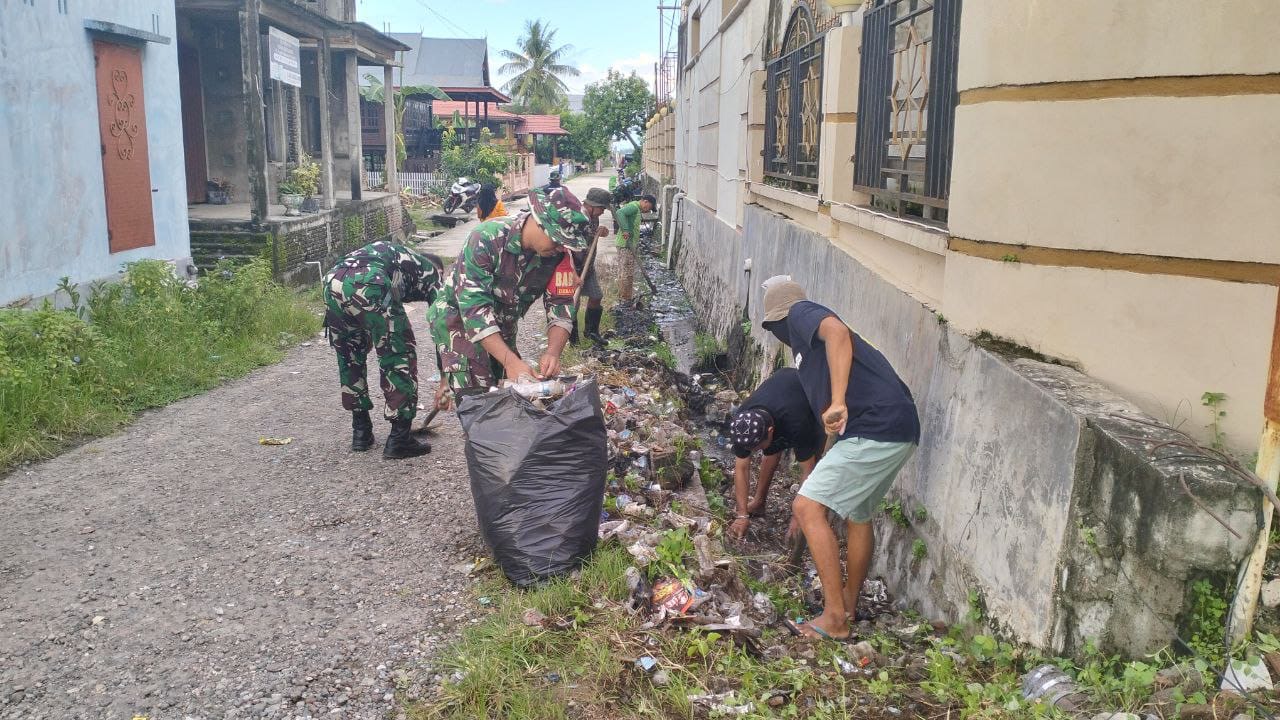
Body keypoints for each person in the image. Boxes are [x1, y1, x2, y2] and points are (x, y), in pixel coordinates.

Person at [760, 281, 920, 641]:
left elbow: (837, 332)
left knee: (806, 507)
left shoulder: (802, 314)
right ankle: (847, 603)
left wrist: (837, 400)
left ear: (779, 321)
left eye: (773, 330)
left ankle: (834, 619)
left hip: (876, 427)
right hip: (898, 428)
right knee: (858, 515)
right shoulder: (808, 354)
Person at [427, 187, 593, 405]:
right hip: (458, 321)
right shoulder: (486, 238)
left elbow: (561, 306)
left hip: (502, 322)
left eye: (567, 243)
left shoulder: (558, 255)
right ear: (538, 220)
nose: (562, 248)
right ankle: (462, 398)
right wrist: (511, 361)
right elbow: (475, 312)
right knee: (478, 397)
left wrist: (552, 353)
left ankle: (458, 388)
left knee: (510, 390)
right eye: (557, 240)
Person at [323, 241, 443, 459]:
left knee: (350, 354)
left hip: (332, 281)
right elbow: (442, 323)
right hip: (370, 281)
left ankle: (361, 432)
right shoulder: (432, 273)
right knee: (398, 355)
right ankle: (399, 438)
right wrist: (446, 377)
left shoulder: (395, 258)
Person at [727, 368, 824, 540]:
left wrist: (797, 516)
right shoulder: (743, 424)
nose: (753, 453)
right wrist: (741, 515)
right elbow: (741, 468)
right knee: (771, 449)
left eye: (756, 448)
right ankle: (759, 503)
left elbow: (807, 472)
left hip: (811, 394)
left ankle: (813, 513)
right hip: (780, 390)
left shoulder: (797, 424)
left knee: (813, 457)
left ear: (771, 431)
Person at [571, 187, 613, 344]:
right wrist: (573, 273)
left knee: (596, 296)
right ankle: (572, 339)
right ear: (591, 205)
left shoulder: (594, 217)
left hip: (588, 266)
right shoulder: (577, 219)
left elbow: (597, 233)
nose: (603, 212)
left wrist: (603, 231)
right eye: (602, 208)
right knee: (573, 303)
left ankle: (591, 332)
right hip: (573, 268)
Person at [614, 194, 656, 304]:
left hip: (628, 244)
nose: (647, 210)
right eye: (648, 207)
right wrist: (626, 230)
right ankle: (625, 299)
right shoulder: (634, 207)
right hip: (626, 245)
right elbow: (619, 213)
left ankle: (623, 296)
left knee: (625, 271)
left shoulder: (636, 208)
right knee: (627, 273)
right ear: (645, 201)